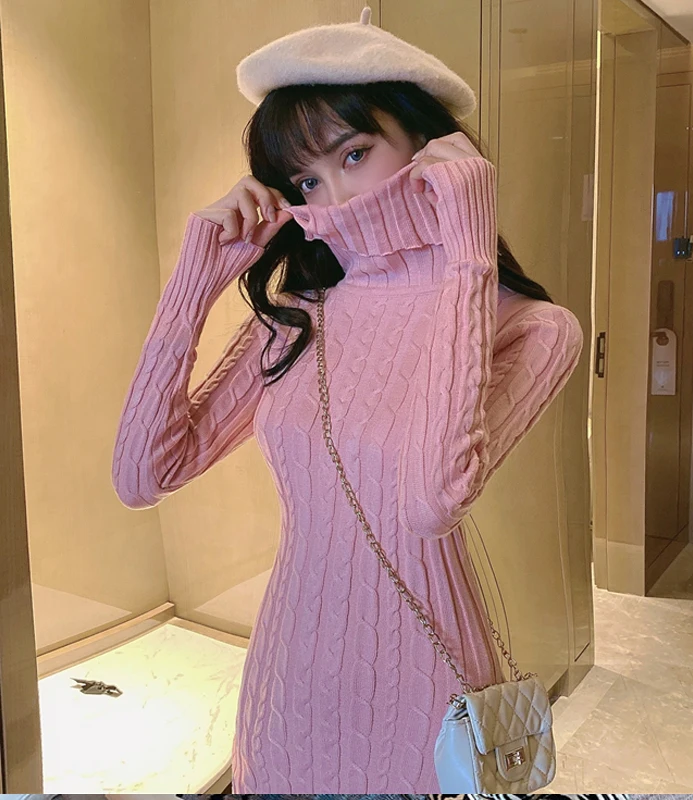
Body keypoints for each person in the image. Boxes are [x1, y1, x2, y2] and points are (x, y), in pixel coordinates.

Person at [111, 5, 583, 793]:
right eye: (306, 180)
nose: (331, 198)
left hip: (429, 685)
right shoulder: (301, 315)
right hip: (292, 666)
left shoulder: (534, 329)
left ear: (430, 146)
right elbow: (142, 475)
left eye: (355, 153)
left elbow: (431, 501)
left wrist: (467, 246)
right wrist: (195, 279)